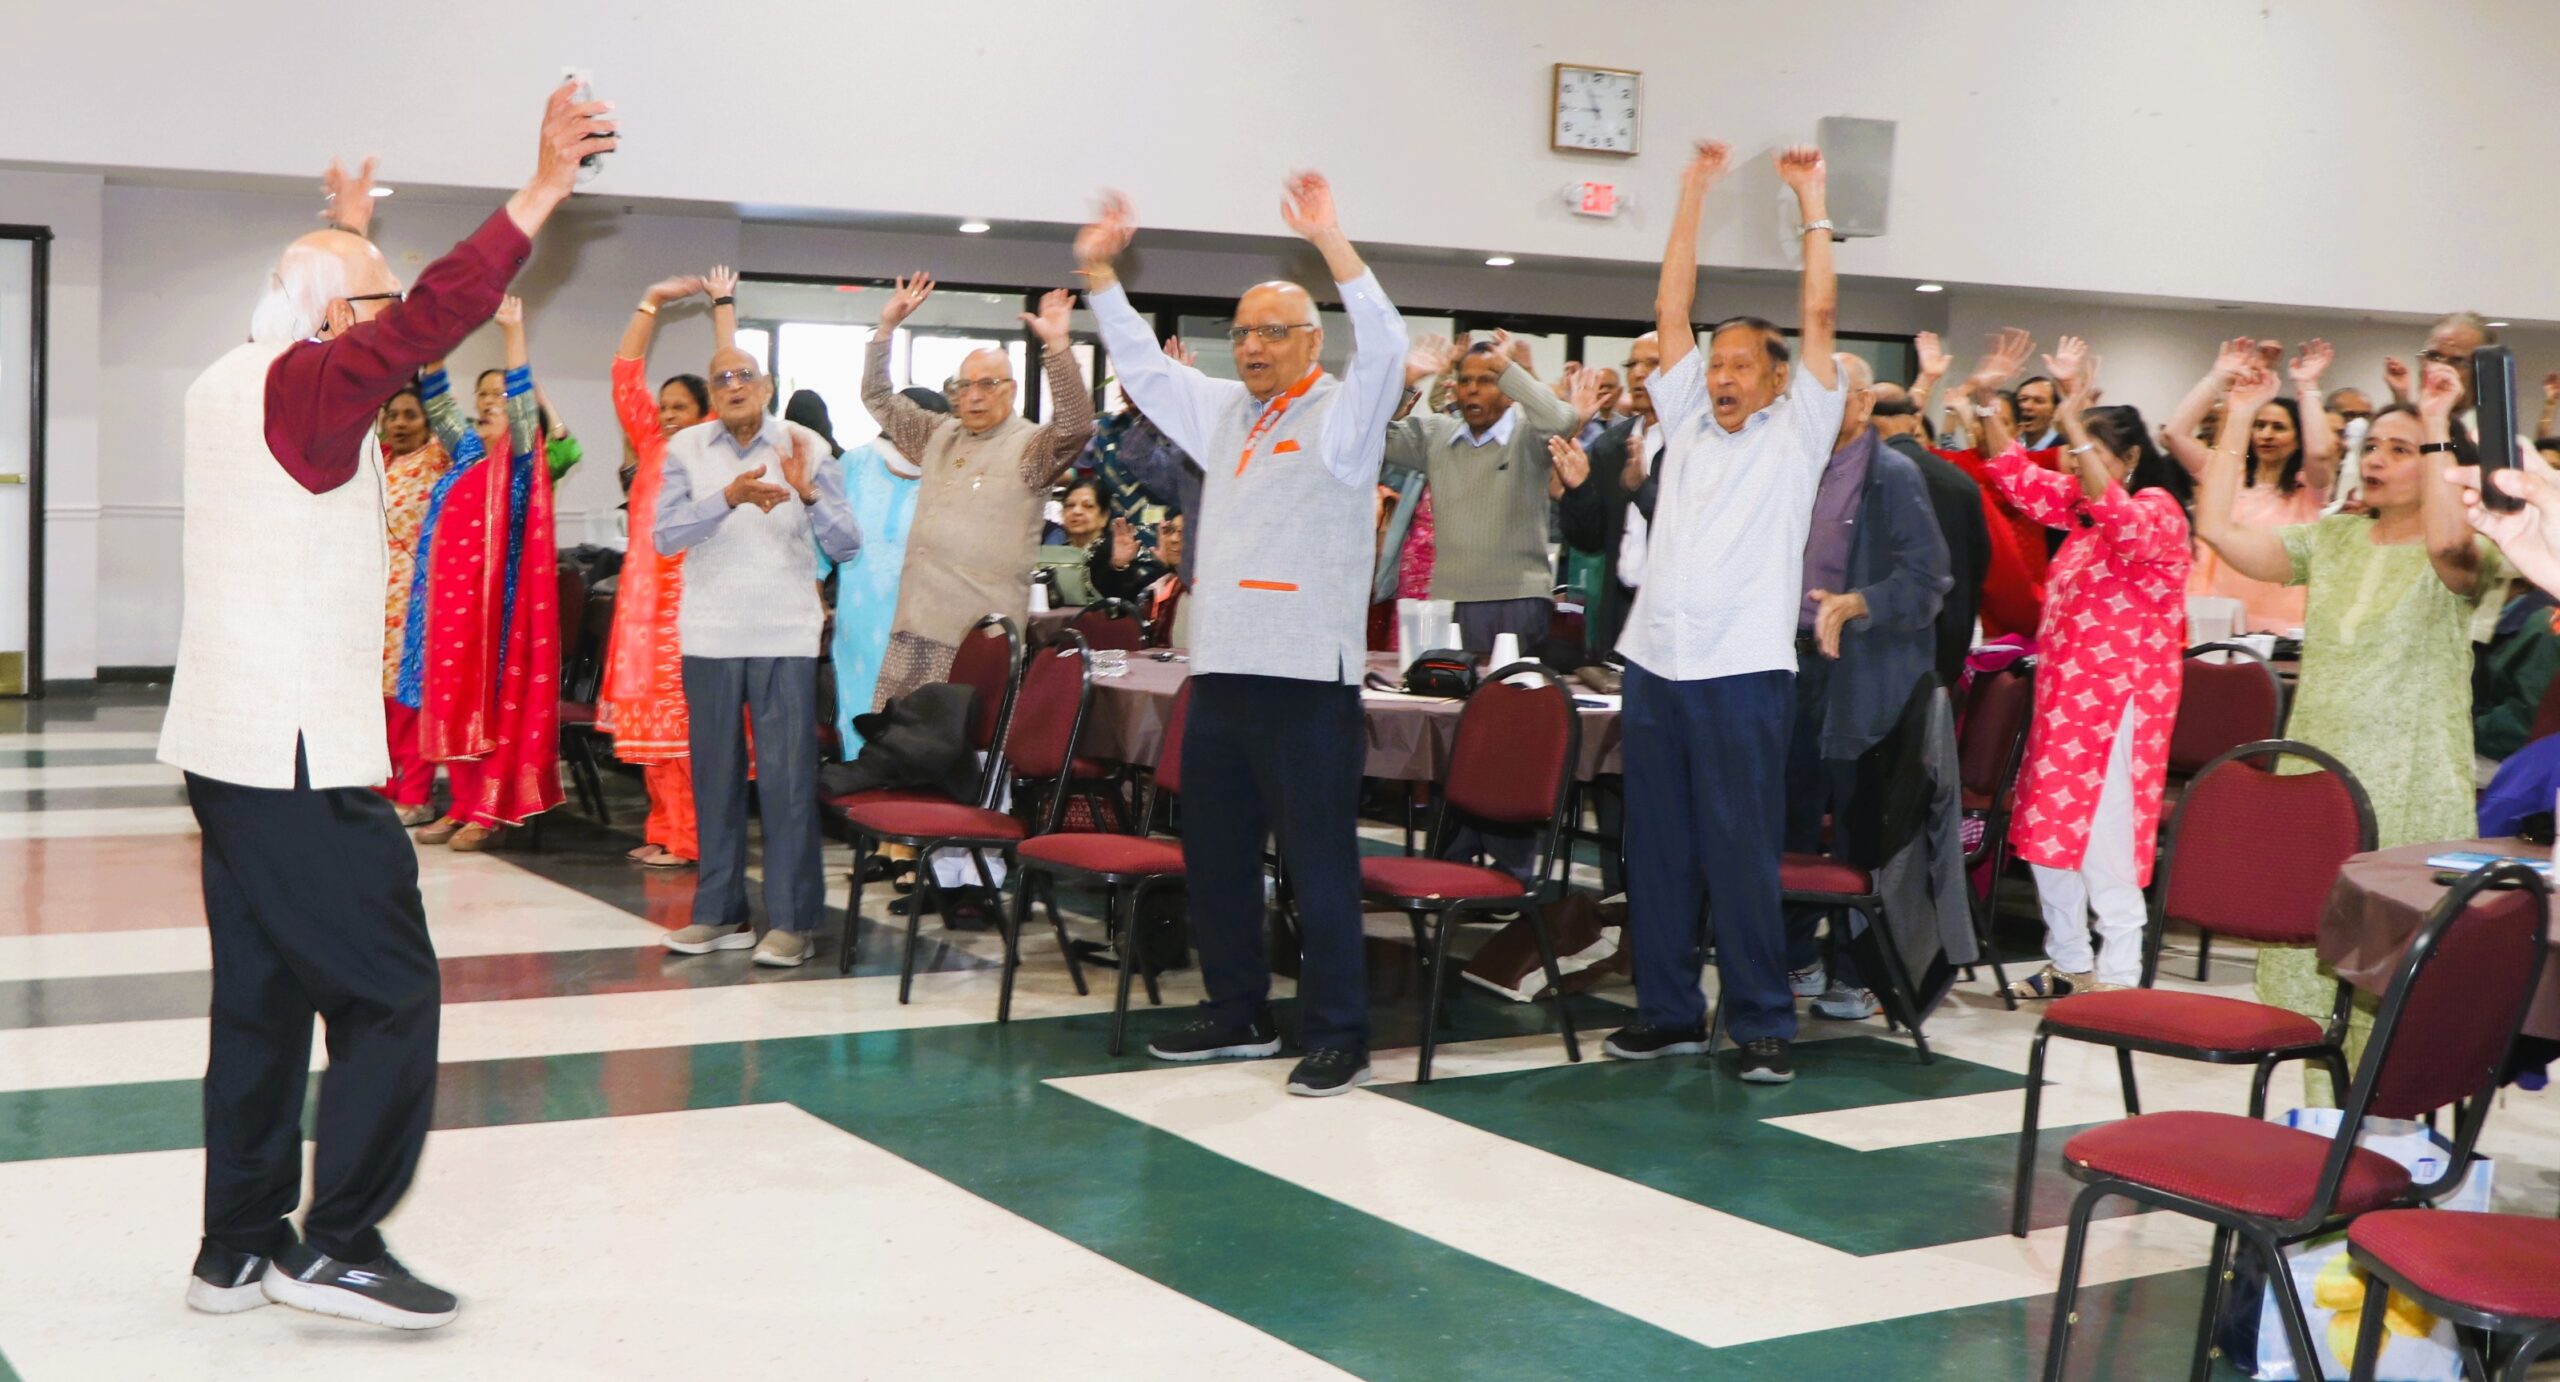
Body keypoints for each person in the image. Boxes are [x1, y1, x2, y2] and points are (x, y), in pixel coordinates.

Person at [159, 88, 610, 1329]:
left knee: (261, 1002)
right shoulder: (308, 391)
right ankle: (338, 1243)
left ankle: (235, 1248)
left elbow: (358, 307)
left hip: (227, 750)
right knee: (390, 993)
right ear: (330, 318)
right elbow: (422, 317)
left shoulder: (229, 380)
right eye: (373, 301)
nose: (395, 327)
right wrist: (540, 191)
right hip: (297, 756)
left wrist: (349, 234)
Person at [1078, 172, 1407, 1097]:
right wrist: (1101, 277)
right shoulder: (1224, 412)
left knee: (1318, 864)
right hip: (1221, 671)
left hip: (1305, 680)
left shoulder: (1344, 418)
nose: (1253, 346)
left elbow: (1386, 344)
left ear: (1310, 340)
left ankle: (1339, 1033)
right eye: (1243, 333)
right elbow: (1145, 371)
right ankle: (1237, 1011)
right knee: (1217, 855)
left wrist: (1330, 240)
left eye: (1272, 332)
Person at [1602, 140, 1845, 1086]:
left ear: (1779, 378)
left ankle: (1761, 1020)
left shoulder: (1799, 431)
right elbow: (1670, 309)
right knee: (1657, 846)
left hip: (1742, 671)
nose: (1723, 376)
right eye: (1717, 364)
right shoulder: (1687, 425)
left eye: (1743, 364)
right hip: (1657, 666)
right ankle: (1666, 1011)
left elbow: (1819, 313)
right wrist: (1692, 190)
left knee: (1740, 850)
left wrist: (1811, 200)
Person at [2197, 358, 2503, 1100]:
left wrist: (2437, 420)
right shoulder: (2330, 540)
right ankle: (2322, 1126)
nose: (2375, 461)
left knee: (2393, 964)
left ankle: (2387, 1128)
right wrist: (2241, 410)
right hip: (2318, 778)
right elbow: (2216, 528)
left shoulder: (2475, 550)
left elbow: (2449, 550)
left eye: (2399, 451)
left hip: (2409, 781)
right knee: (2310, 959)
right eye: (2373, 447)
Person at [1955, 334, 2192, 998]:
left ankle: (2118, 976)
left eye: (2093, 451)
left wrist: (2068, 419)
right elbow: (2013, 473)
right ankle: (2070, 962)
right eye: (2074, 450)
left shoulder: (2157, 514)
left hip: (2121, 706)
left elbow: (2123, 521)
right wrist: (1985, 397)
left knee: (2106, 840)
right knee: (2047, 831)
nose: (2077, 465)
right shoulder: (2083, 514)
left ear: (2133, 459)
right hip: (2065, 703)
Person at [651, 342, 861, 966]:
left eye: (745, 375)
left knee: (786, 781)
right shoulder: (686, 448)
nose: (734, 385)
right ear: (712, 394)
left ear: (767, 387)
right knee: (714, 780)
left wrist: (810, 494)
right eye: (722, 378)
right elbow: (665, 535)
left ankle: (794, 923)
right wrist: (728, 498)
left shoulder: (806, 445)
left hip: (783, 634)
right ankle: (721, 913)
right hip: (710, 634)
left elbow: (848, 545)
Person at [1777, 353, 1952, 1021]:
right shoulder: (1789, 462)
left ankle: (1856, 972)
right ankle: (1796, 957)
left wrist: (1860, 601)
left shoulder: (1893, 475)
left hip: (1862, 674)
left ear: (1862, 404)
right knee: (1791, 816)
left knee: (1855, 823)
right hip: (1790, 666)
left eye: (1835, 393)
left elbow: (1929, 580)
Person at [862, 279, 1095, 703]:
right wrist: (886, 329)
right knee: (898, 739)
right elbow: (877, 397)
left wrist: (1058, 347)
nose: (973, 397)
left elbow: (1076, 427)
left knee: (966, 743)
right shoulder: (938, 434)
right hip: (915, 625)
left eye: (988, 385)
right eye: (963, 386)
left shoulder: (1030, 448)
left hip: (978, 638)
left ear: (1012, 390)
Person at [400, 297, 564, 851]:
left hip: (495, 610)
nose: (491, 406)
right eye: (485, 400)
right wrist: (436, 337)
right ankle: (461, 804)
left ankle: (486, 811)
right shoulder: (469, 455)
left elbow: (522, 404)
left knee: (489, 707)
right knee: (453, 703)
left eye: (501, 401)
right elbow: (436, 398)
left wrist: (513, 330)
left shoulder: (520, 464)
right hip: (447, 609)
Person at [602, 268, 733, 869]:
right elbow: (624, 375)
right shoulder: (653, 446)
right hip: (642, 612)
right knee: (651, 729)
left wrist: (723, 304)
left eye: (682, 407)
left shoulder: (710, 447)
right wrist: (649, 301)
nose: (670, 414)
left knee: (685, 730)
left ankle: (691, 839)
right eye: (665, 407)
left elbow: (731, 375)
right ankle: (663, 829)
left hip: (689, 608)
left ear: (704, 412)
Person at [1381, 335, 1595, 652]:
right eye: (1465, 380)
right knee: (1444, 684)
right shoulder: (1436, 435)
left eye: (1486, 381)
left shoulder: (1528, 437)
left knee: (1512, 684)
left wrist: (1508, 368)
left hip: (1518, 599)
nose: (1472, 389)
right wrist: (1405, 379)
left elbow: (1563, 420)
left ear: (1509, 393)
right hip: (1449, 600)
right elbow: (1372, 436)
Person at [2165, 336, 2339, 632]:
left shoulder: (2308, 490)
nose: (2266, 434)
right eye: (2260, 425)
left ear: (2298, 438)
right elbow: (2174, 434)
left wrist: (2308, 386)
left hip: (2280, 628)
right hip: (2216, 620)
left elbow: (2321, 452)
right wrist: (2217, 379)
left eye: (2279, 427)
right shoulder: (2225, 474)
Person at [1915, 331, 2058, 639]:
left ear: (2017, 429)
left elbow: (2088, 456)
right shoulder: (1953, 464)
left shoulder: (2039, 467)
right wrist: (1926, 380)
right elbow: (1903, 440)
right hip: (1968, 603)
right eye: (1981, 420)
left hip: (2026, 607)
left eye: (1999, 420)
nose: (1987, 427)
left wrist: (2073, 396)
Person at [825, 387, 939, 755]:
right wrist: (816, 597)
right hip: (859, 627)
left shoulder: (946, 478)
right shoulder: (854, 466)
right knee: (860, 721)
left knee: (916, 733)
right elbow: (820, 540)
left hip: (924, 630)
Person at [1872, 382, 1991, 689]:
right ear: (1913, 421)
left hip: (1879, 646)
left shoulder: (1869, 477)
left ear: (1869, 421)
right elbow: (1980, 561)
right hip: (1947, 649)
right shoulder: (1961, 481)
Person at [1555, 333, 1664, 657]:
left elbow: (1690, 528)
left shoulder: (1697, 442)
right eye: (1633, 365)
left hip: (1672, 614)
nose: (1639, 374)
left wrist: (1640, 487)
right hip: (1618, 608)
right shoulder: (1611, 443)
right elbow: (1590, 539)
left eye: (1653, 364)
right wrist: (1579, 490)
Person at [375, 384, 449, 827]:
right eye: (393, 415)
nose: (399, 424)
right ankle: (379, 788)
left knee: (410, 700)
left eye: (410, 415)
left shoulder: (437, 458)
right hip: (375, 600)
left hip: (419, 600)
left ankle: (416, 794)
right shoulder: (379, 462)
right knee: (376, 700)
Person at [1094, 511, 1188, 644]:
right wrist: (1119, 565)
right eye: (1170, 530)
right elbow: (1121, 607)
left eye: (1183, 533)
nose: (1174, 539)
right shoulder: (1160, 580)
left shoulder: (1209, 588)